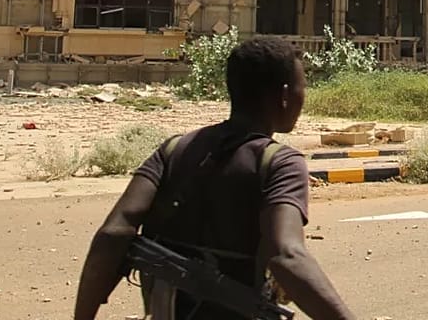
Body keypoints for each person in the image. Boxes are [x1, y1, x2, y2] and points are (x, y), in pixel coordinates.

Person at [72, 37, 357, 320]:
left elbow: (113, 234)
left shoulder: (174, 150)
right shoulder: (280, 163)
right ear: (284, 95)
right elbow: (287, 255)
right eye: (302, 88)